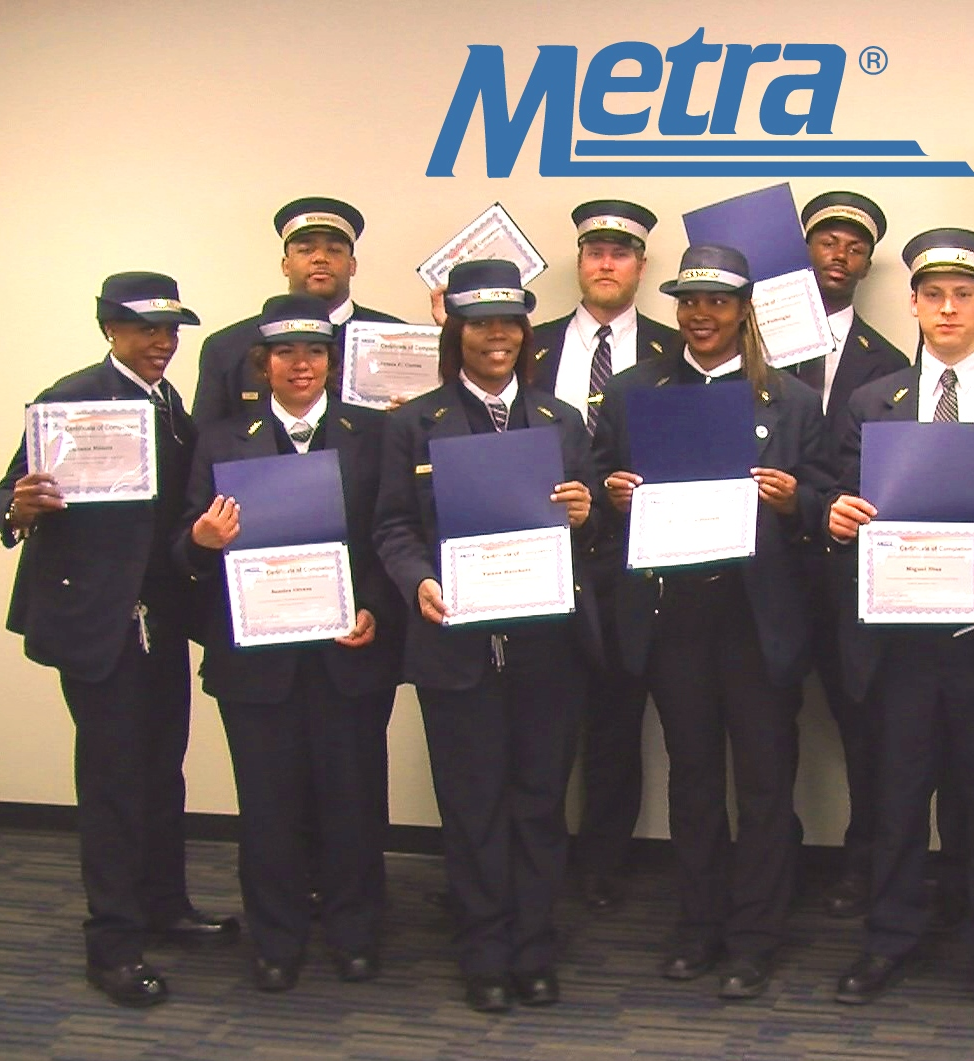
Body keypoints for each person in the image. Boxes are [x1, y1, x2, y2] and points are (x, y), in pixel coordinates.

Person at [826, 229, 974, 1015]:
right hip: (898, 643)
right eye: (933, 295)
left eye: (963, 294)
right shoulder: (873, 401)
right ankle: (888, 936)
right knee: (895, 801)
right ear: (914, 304)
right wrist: (836, 516)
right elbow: (837, 498)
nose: (948, 307)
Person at [0, 272, 238, 1007]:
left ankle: (165, 906)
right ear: (110, 329)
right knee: (112, 784)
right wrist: (21, 507)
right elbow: (8, 499)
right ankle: (114, 944)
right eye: (145, 330)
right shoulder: (71, 398)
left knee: (162, 769)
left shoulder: (171, 407)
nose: (161, 343)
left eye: (170, 332)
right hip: (98, 624)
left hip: (160, 621)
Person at [592, 245, 829, 999]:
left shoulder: (791, 399)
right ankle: (697, 925)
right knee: (691, 778)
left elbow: (828, 501)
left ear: (743, 309)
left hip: (758, 616)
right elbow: (594, 488)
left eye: (717, 302)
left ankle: (755, 936)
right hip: (674, 614)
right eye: (689, 302)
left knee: (764, 783)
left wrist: (794, 502)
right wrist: (613, 496)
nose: (701, 316)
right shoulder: (635, 391)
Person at [372, 260, 595, 1014]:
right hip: (455, 648)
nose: (496, 336)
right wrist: (417, 581)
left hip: (545, 647)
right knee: (472, 808)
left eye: (509, 323)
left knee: (539, 803)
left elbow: (591, 528)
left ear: (525, 333)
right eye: (479, 323)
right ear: (456, 332)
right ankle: (484, 951)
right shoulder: (412, 422)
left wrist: (584, 513)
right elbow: (392, 527)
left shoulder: (560, 419)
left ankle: (534, 948)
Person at [173, 294, 401, 991]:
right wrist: (201, 540)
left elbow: (391, 532)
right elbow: (183, 543)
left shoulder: (371, 433)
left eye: (314, 352)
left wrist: (374, 606)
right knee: (268, 809)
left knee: (354, 803)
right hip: (256, 660)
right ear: (262, 363)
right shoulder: (221, 440)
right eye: (285, 353)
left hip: (349, 651)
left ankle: (355, 933)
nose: (300, 364)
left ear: (332, 362)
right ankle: (276, 940)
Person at [529, 199, 682, 912]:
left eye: (620, 253)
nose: (606, 264)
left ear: (640, 266)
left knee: (617, 719)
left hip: (630, 559)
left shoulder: (674, 353)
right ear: (579, 261)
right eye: (595, 251)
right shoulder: (524, 346)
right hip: (540, 555)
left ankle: (601, 863)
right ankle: (530, 860)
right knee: (538, 714)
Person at [794, 190, 908, 919]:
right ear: (805, 251)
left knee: (864, 724)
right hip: (766, 567)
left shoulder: (889, 362)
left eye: (854, 247)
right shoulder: (750, 343)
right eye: (827, 241)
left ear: (867, 265)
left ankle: (866, 861)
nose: (839, 255)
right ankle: (769, 862)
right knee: (762, 728)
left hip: (848, 575)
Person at [191, 197, 404, 425]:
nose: (320, 258)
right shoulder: (227, 348)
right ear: (285, 265)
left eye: (334, 250)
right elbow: (207, 439)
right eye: (306, 250)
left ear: (352, 265)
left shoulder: (399, 342)